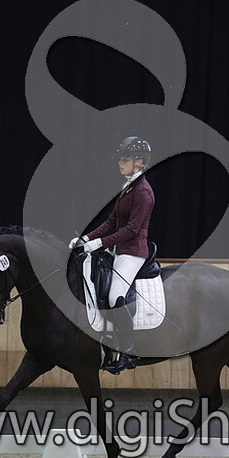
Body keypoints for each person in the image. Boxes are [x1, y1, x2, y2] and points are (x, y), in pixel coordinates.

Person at [68, 136, 155, 374]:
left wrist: (98, 243)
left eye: (125, 159)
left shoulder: (144, 193)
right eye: (120, 159)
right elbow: (111, 222)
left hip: (133, 252)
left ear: (139, 162)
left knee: (116, 296)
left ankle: (128, 351)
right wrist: (85, 238)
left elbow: (131, 230)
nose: (120, 162)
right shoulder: (128, 188)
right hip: (118, 249)